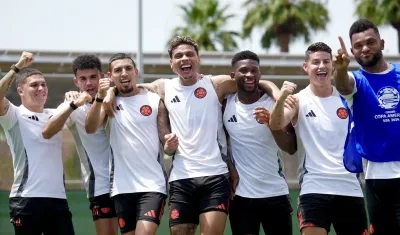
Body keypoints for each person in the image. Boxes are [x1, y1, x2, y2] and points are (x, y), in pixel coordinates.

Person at [102, 36, 281, 235]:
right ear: (172, 64)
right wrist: (110, 92)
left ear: (198, 59)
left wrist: (276, 92)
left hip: (215, 175)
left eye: (189, 54)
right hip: (181, 177)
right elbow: (128, 87)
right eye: (178, 56)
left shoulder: (216, 84)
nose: (184, 58)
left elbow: (253, 80)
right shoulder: (163, 87)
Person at [263, 42, 368, 235]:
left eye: (326, 61)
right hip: (314, 188)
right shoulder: (298, 100)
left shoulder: (349, 98)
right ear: (306, 67)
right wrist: (282, 96)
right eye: (315, 62)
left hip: (350, 187)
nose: (321, 66)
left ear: (333, 66)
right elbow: (276, 124)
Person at [85, 53, 169, 235]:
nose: (124, 73)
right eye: (118, 70)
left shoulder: (154, 101)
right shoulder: (108, 103)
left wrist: (170, 144)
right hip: (121, 188)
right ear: (110, 76)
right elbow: (90, 128)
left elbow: (165, 139)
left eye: (128, 68)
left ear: (136, 72)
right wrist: (103, 95)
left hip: (152, 185)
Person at [333, 19, 400, 235]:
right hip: (376, 179)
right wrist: (340, 70)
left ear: (381, 42)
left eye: (370, 42)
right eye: (358, 45)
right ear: (352, 51)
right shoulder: (356, 80)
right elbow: (343, 85)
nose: (365, 48)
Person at [41, 54, 118, 235]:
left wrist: (112, 91)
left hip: (131, 181)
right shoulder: (73, 105)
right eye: (83, 79)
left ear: (103, 77)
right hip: (101, 184)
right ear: (76, 82)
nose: (89, 83)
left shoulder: (118, 97)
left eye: (93, 77)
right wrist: (73, 105)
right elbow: (47, 131)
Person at [0, 52, 75, 235]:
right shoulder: (14, 115)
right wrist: (17, 67)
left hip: (58, 200)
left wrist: (75, 96)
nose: (41, 88)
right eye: (34, 85)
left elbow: (81, 102)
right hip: (26, 199)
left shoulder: (56, 113)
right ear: (20, 91)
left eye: (43, 84)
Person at [223, 50, 296, 235]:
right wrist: (230, 167)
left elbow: (291, 147)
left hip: (275, 194)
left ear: (259, 73)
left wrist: (272, 124)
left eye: (254, 70)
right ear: (233, 75)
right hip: (241, 198)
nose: (249, 75)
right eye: (243, 70)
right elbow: (220, 143)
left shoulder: (274, 104)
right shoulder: (225, 105)